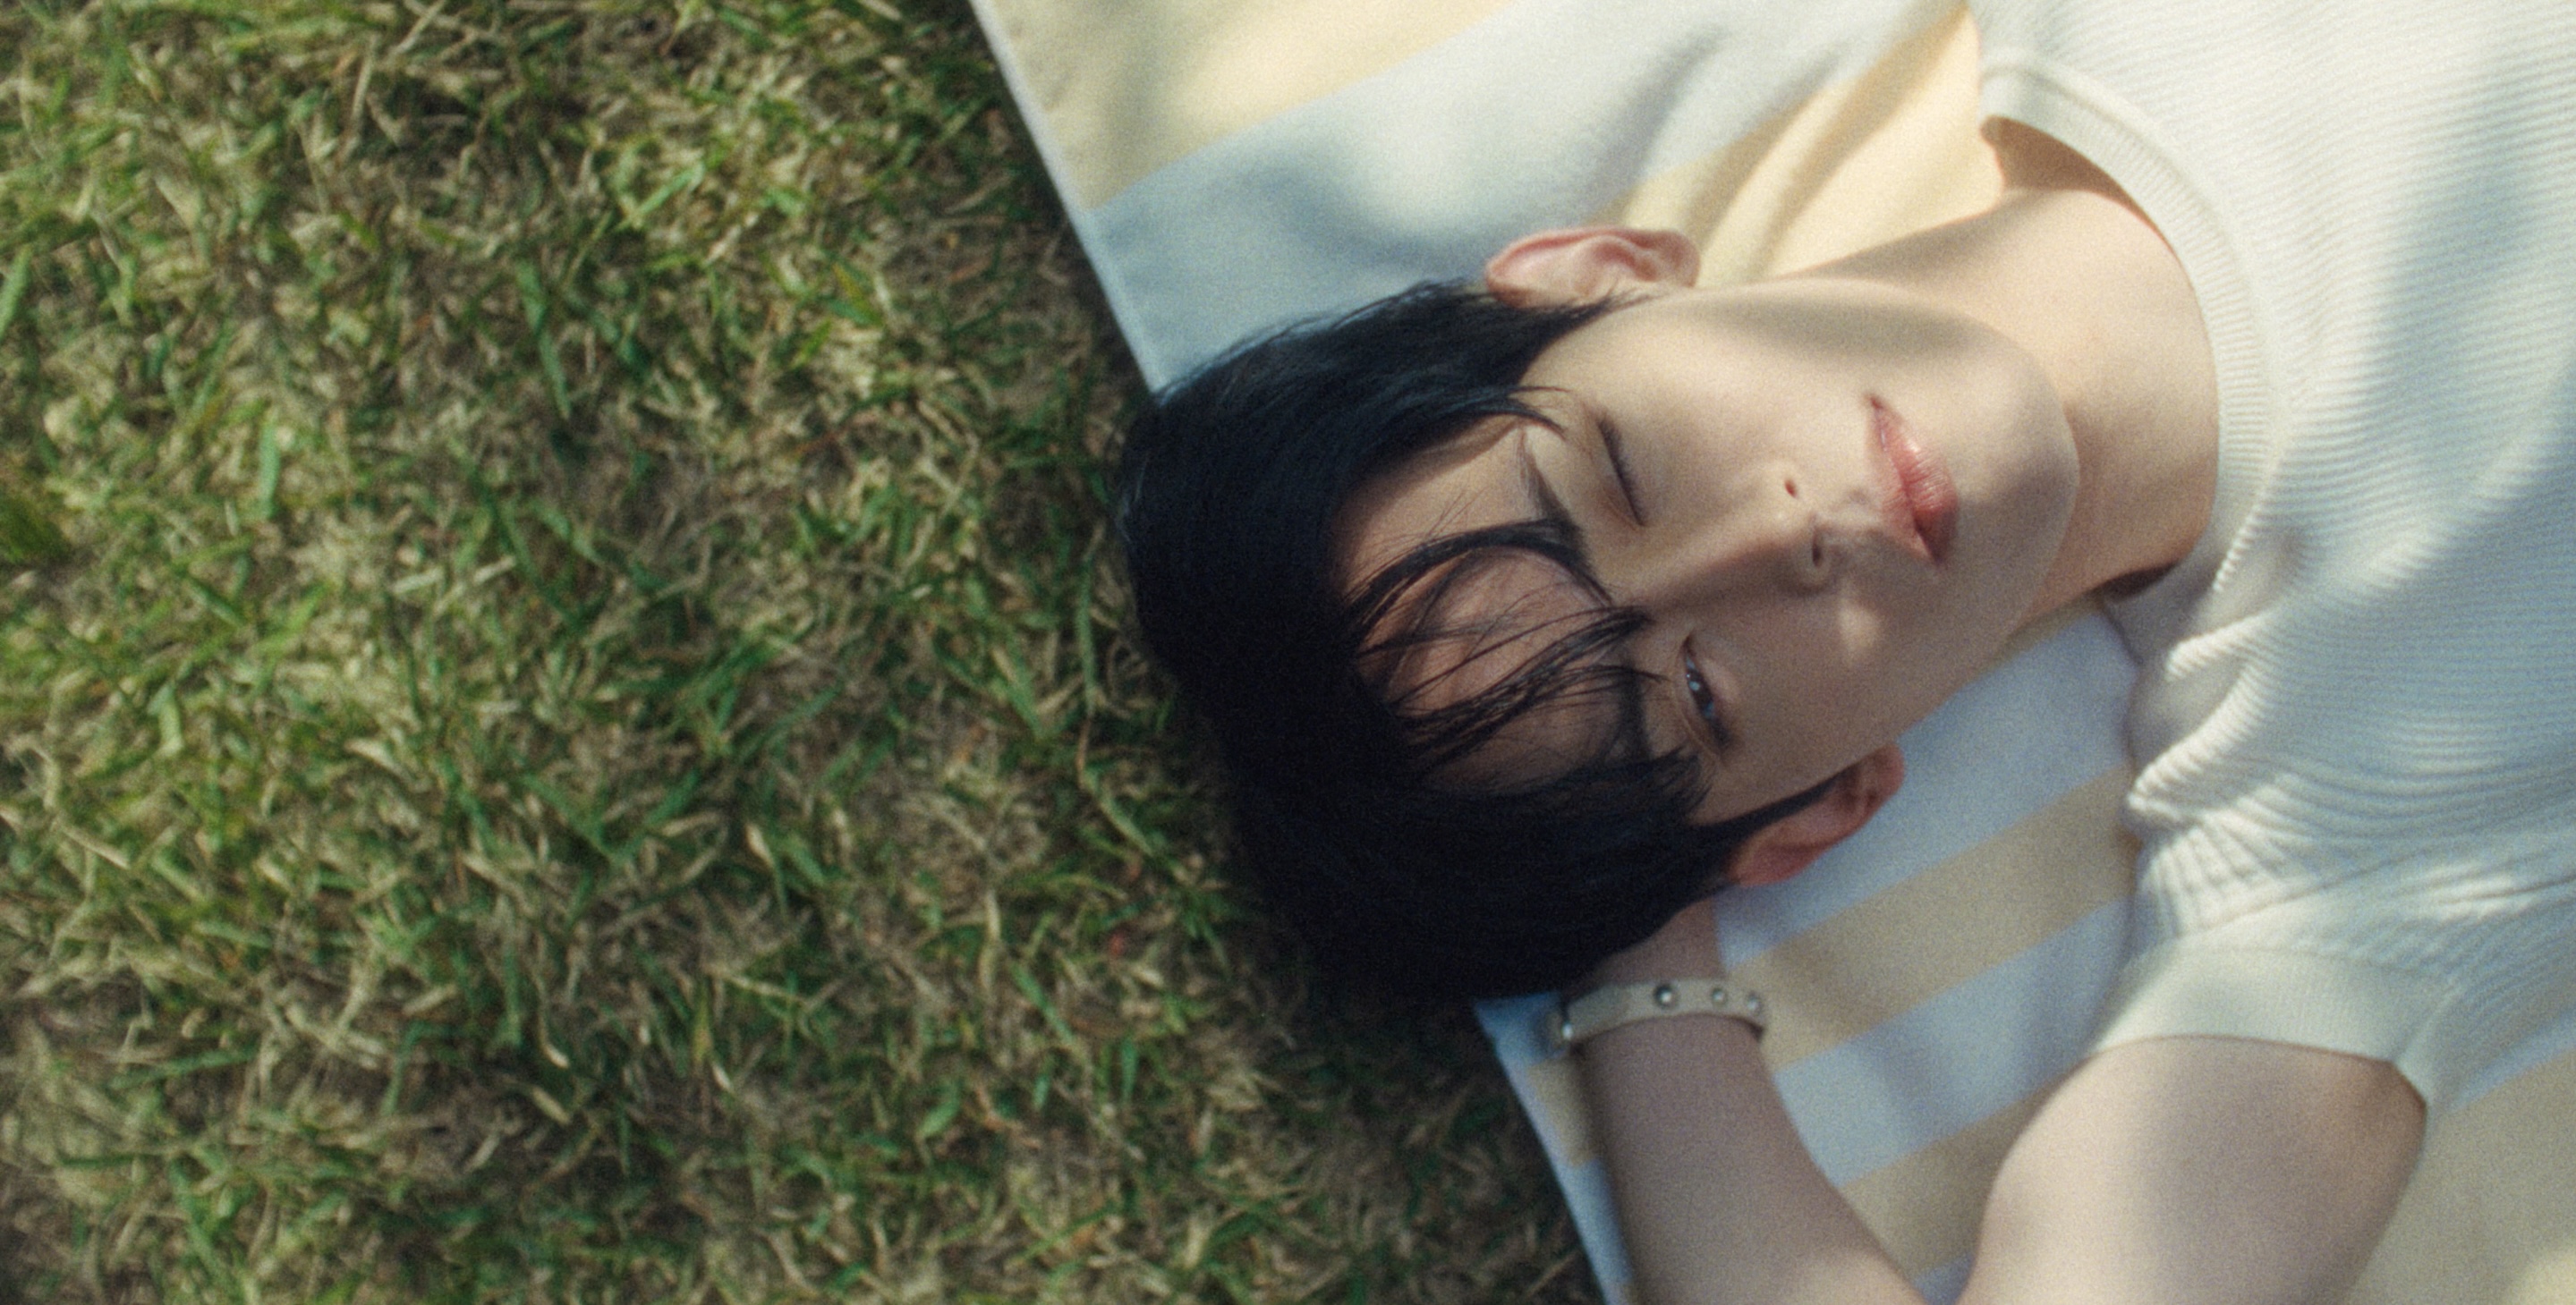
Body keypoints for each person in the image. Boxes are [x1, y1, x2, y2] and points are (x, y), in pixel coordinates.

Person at [1116, 0, 2576, 1298]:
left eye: (1622, 471)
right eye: (1699, 692)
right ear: (1817, 814)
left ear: (1594, 276)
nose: (1780, 535)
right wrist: (1641, 939)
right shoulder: (2356, 802)